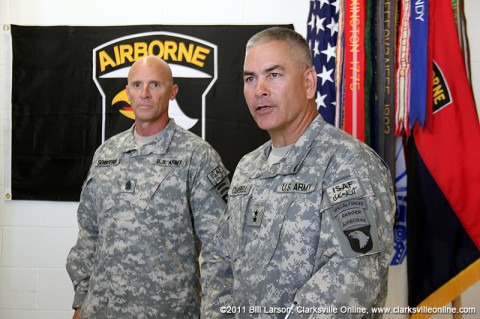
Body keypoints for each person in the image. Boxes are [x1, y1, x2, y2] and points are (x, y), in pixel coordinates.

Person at [201, 27, 395, 318]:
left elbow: (351, 278)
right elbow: (220, 260)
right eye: (250, 78)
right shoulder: (248, 167)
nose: (259, 89)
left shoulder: (348, 164)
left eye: (274, 74)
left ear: (308, 83)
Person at [66, 56, 229, 319]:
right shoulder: (107, 153)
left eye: (155, 85)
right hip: (102, 310)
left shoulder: (197, 156)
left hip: (169, 312)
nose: (144, 94)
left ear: (172, 92)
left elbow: (221, 246)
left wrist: (215, 313)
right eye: (137, 85)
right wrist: (80, 301)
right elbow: (89, 234)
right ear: (127, 90)